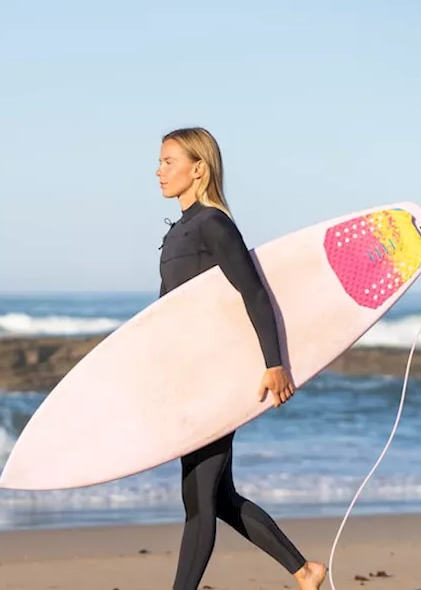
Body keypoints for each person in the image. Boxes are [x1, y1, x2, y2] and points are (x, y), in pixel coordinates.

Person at [155, 127, 327, 590]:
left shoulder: (213, 224)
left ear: (199, 168)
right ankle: (305, 571)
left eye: (169, 161)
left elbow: (254, 293)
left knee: (198, 501)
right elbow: (167, 314)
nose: (159, 171)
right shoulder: (180, 231)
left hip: (217, 378)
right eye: (160, 161)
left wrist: (275, 364)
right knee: (219, 496)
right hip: (190, 377)